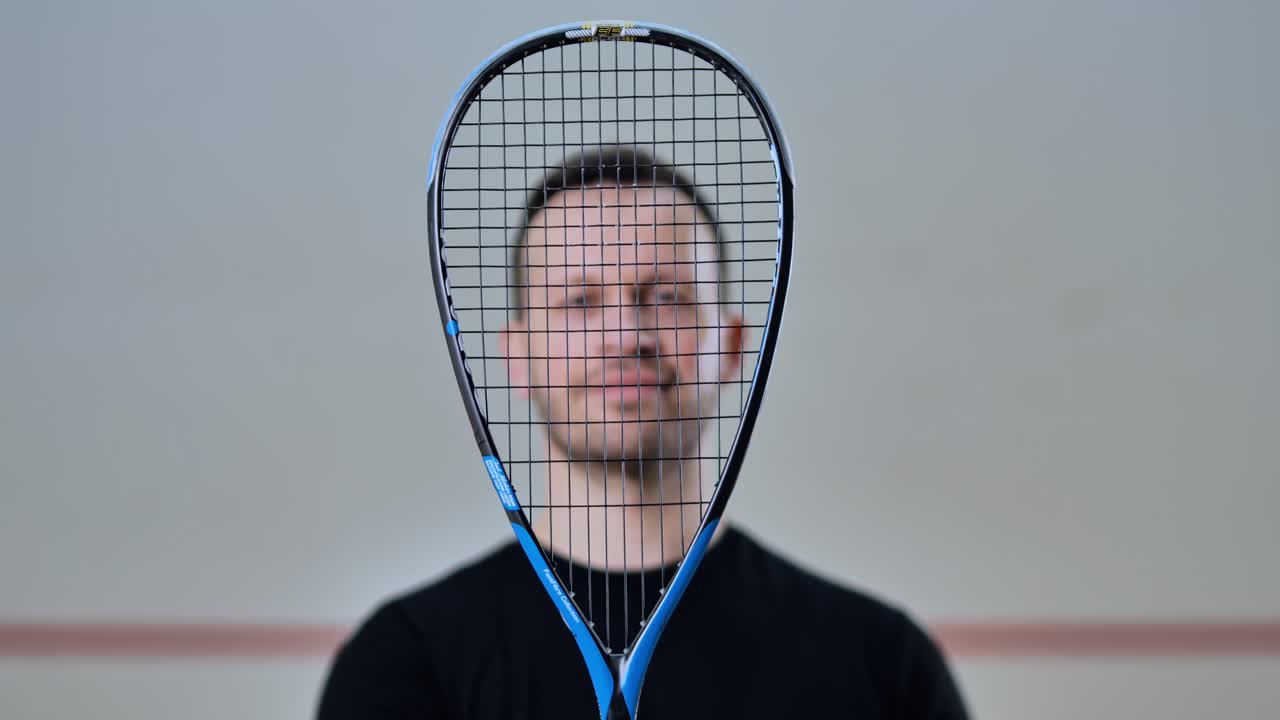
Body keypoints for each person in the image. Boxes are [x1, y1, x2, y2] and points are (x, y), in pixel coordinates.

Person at [317, 147, 971, 719]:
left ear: (733, 345)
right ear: (515, 356)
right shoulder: (404, 661)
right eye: (579, 302)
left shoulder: (883, 661)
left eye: (667, 297)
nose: (627, 337)